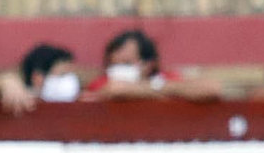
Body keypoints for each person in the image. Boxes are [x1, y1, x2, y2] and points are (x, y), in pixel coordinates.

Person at [84, 29, 224, 102]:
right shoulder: (103, 82)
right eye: (114, 64)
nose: (118, 69)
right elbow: (116, 89)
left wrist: (153, 88)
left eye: (127, 63)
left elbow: (212, 88)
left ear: (148, 65)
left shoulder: (164, 78)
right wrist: (168, 91)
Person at [0, 42, 81, 115]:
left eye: (71, 74)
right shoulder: (19, 94)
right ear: (37, 78)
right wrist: (4, 82)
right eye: (63, 74)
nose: (70, 80)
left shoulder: (81, 100)